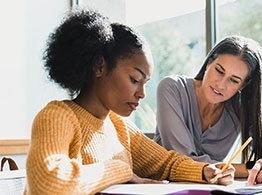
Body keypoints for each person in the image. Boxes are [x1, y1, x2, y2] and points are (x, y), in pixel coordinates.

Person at [25, 10, 235, 194]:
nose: (142, 93)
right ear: (100, 66)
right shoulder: (57, 116)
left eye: (145, 83)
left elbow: (166, 164)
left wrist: (205, 171)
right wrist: (122, 169)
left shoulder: (118, 126)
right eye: (135, 80)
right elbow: (50, 184)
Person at [154, 36, 262, 185]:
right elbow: (184, 163)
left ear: (243, 85)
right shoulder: (172, 88)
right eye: (219, 71)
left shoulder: (243, 105)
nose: (221, 84)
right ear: (209, 62)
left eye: (234, 80)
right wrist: (251, 169)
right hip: (160, 188)